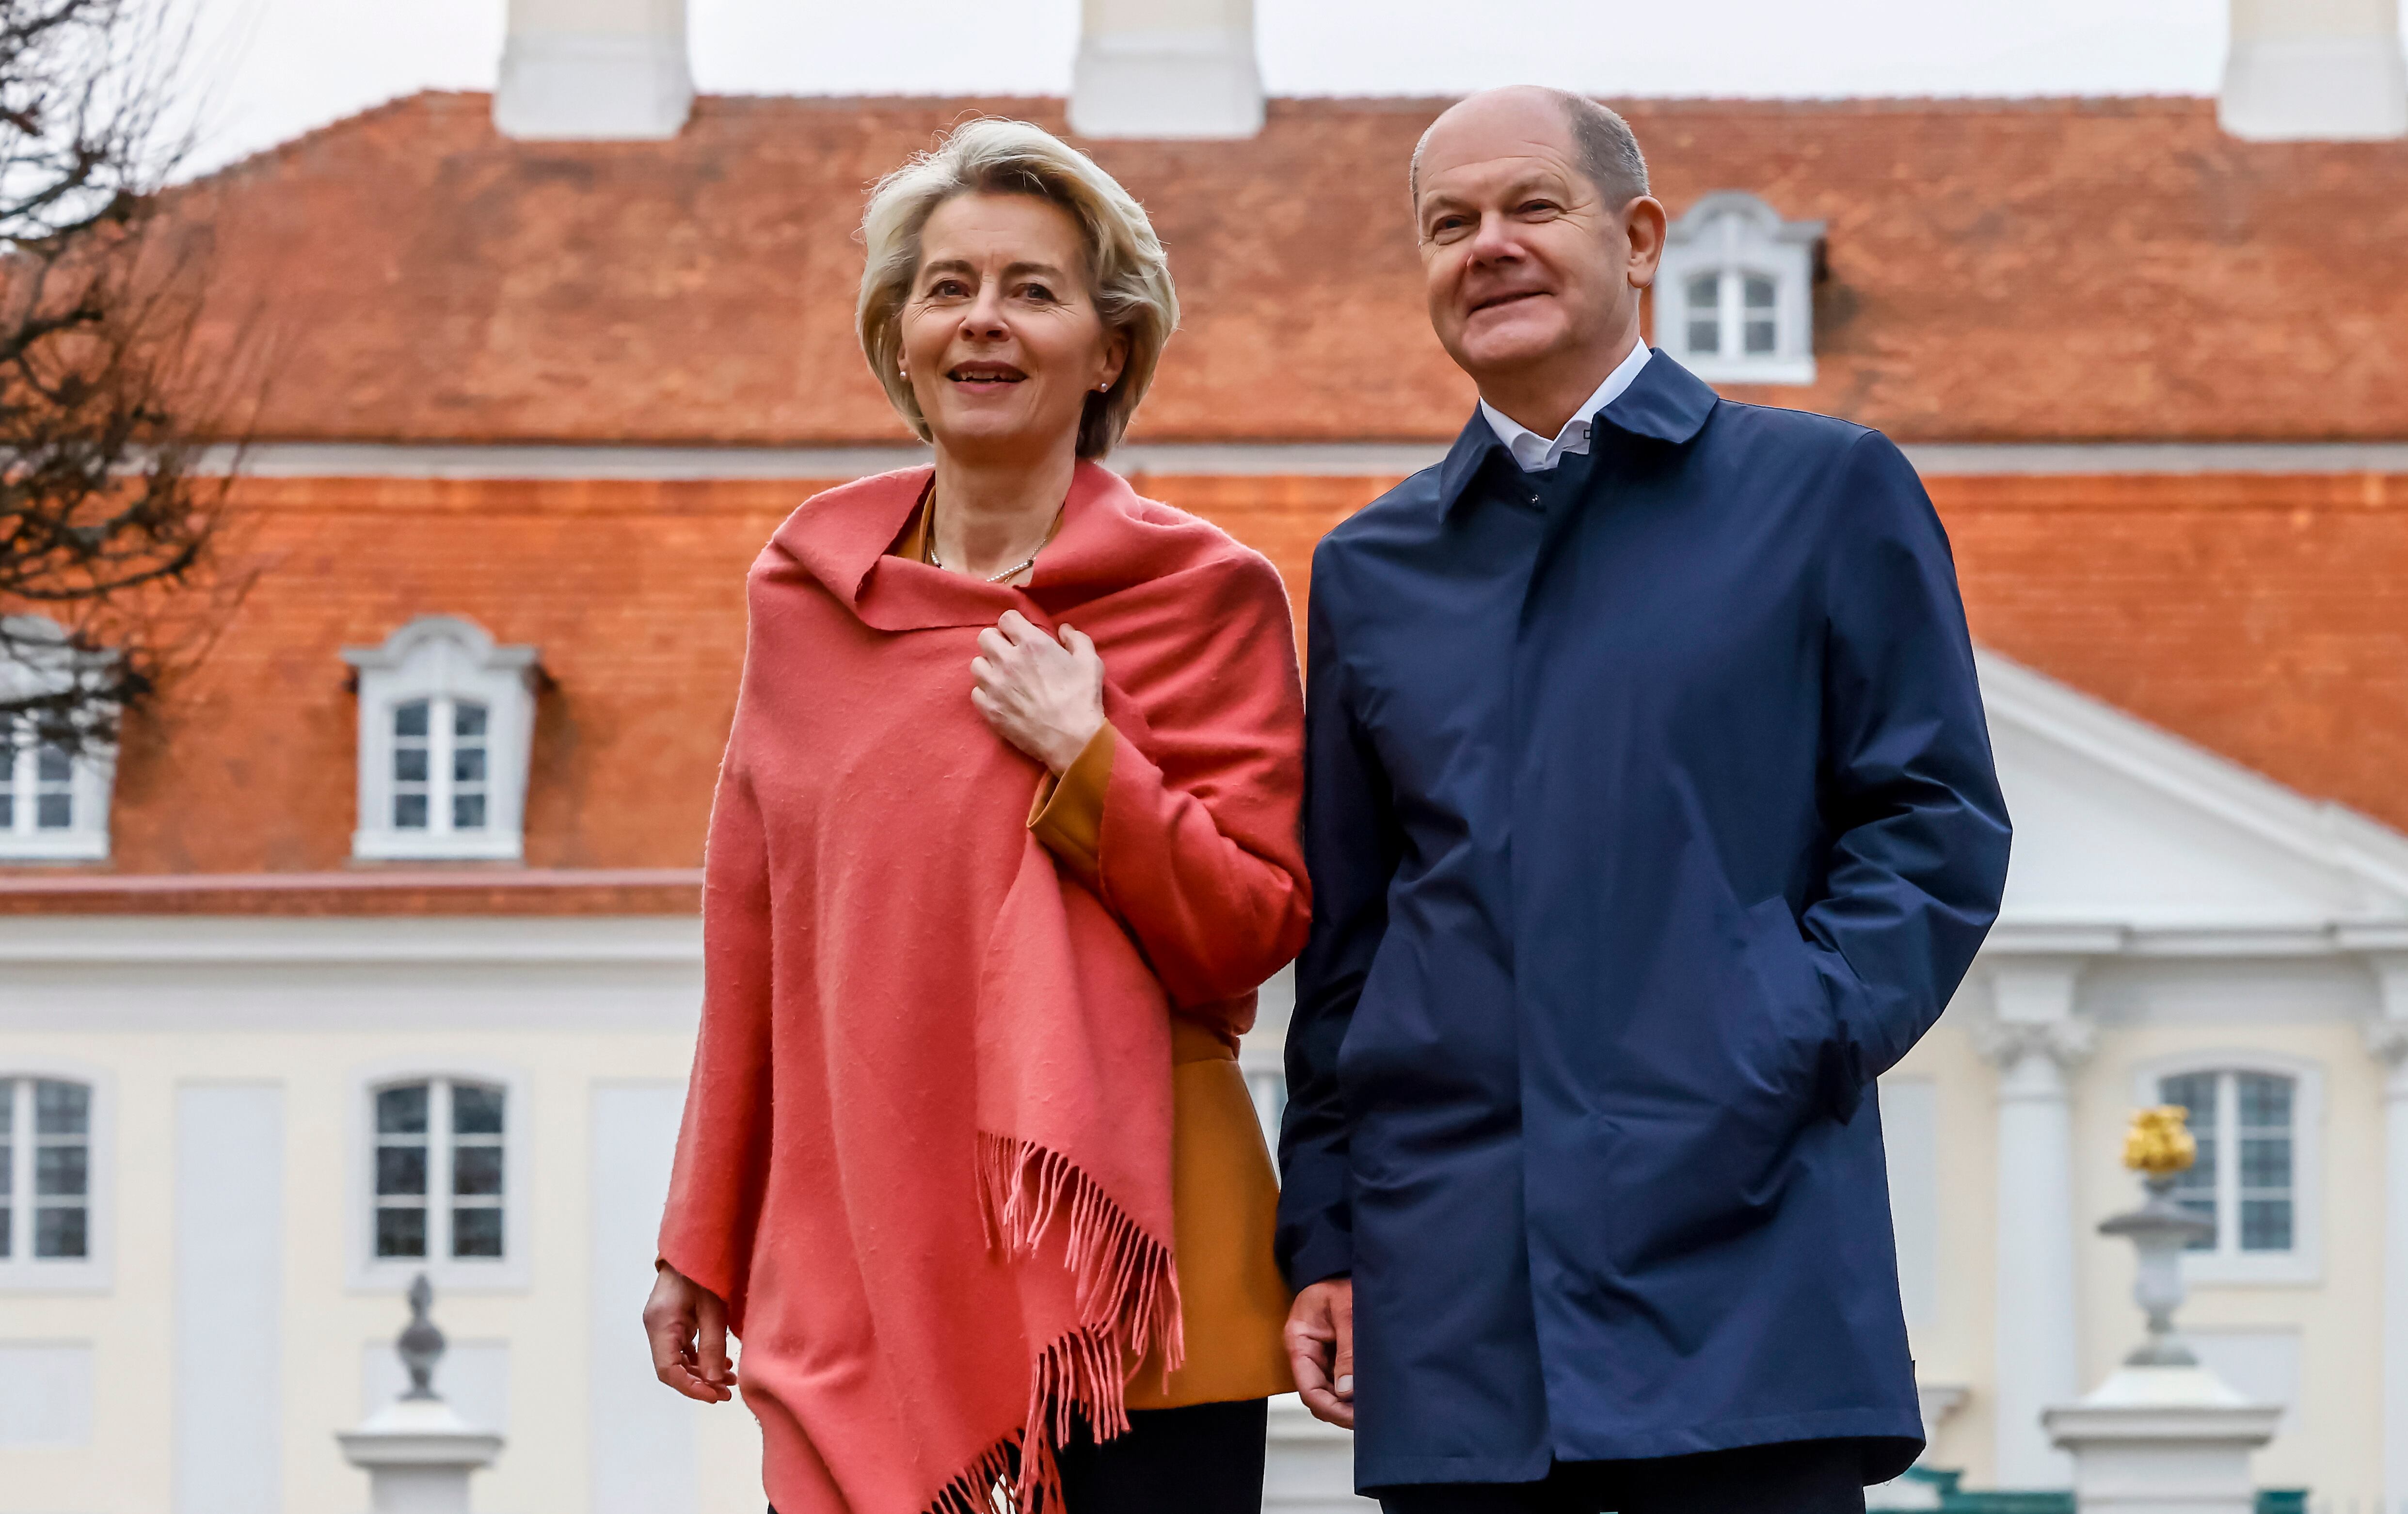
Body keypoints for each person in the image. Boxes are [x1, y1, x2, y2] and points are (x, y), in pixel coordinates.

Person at [1276, 86, 2012, 1514]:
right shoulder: (1372, 569)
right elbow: (1349, 943)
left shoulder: (1824, 491)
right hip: (1455, 1282)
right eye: (1450, 224)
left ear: (1639, 237)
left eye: (1529, 208)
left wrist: (1774, 1030)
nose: (1487, 245)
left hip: (1745, 1252)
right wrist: (1329, 1227)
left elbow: (1932, 824)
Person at [643, 118, 1308, 1514]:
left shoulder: (1203, 593)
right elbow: (753, 943)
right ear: (900, 338)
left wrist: (1090, 760)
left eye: (1033, 289)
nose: (984, 323)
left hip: (1134, 1287)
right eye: (948, 288)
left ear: (1109, 345)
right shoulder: (807, 594)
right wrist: (700, 1232)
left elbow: (1249, 930)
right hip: (866, 1258)